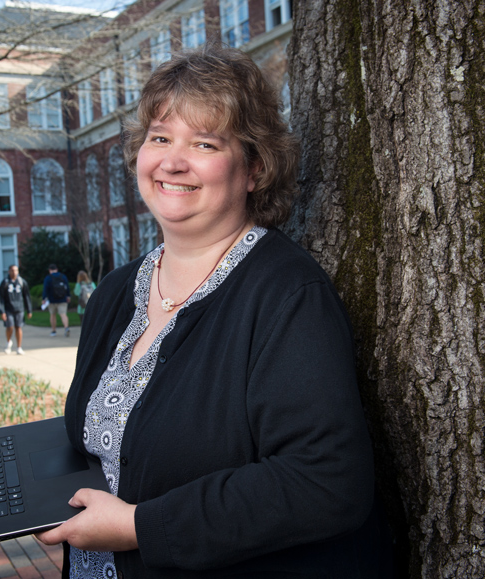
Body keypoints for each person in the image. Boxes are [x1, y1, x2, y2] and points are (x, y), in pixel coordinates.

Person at [37, 44, 384, 578]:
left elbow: (325, 480)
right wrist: (33, 500)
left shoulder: (286, 296)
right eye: (159, 138)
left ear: (254, 168)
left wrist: (137, 527)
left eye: (204, 142)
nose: (172, 161)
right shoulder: (114, 293)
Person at [0, 265, 33, 355]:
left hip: (19, 308)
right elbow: (1, 297)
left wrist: (29, 310)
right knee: (10, 327)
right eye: (12, 270)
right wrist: (2, 311)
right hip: (8, 308)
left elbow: (26, 296)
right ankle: (8, 342)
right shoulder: (5, 282)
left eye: (16, 270)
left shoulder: (22, 282)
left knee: (19, 327)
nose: (14, 272)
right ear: (9, 271)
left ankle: (19, 347)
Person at [42, 264, 71, 337]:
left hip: (52, 300)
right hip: (63, 299)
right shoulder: (63, 276)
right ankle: (66, 328)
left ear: (49, 270)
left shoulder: (48, 278)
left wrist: (44, 298)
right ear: (56, 269)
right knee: (63, 314)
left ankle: (53, 330)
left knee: (52, 315)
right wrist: (68, 296)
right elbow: (67, 287)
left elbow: (45, 289)